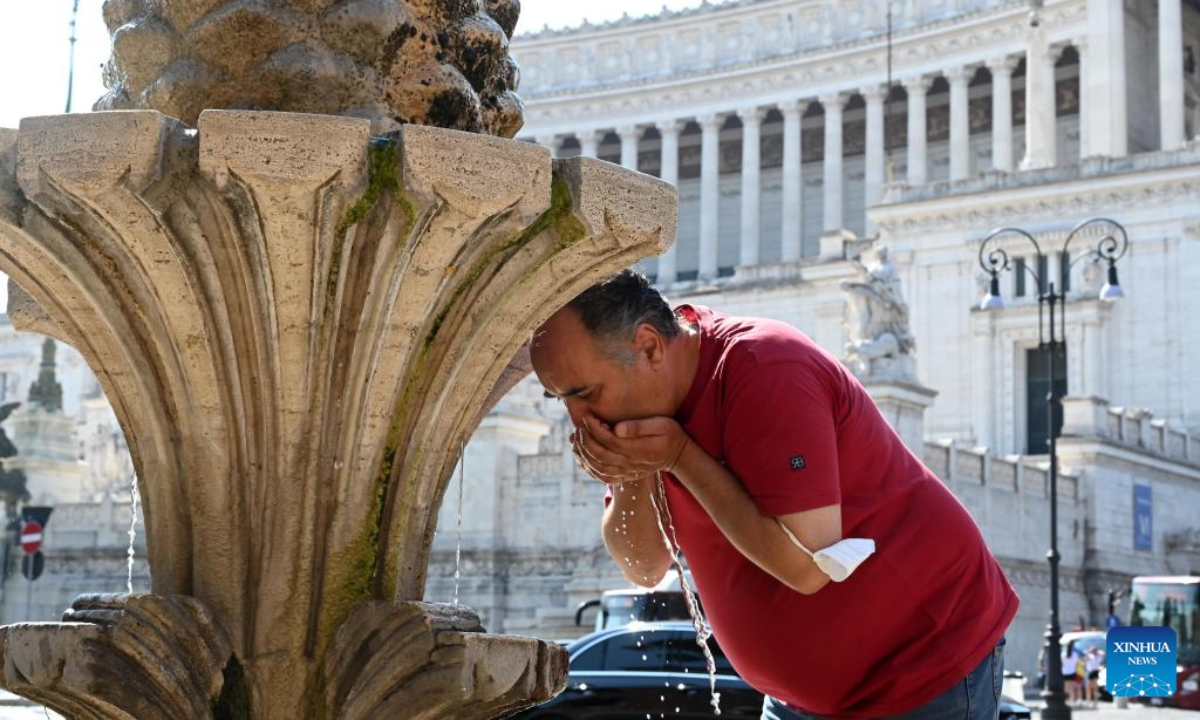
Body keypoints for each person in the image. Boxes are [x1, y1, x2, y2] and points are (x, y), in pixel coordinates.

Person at [529, 270, 1019, 719]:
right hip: (798, 701)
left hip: (923, 669)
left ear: (650, 347)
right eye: (562, 399)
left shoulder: (765, 367)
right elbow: (643, 566)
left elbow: (808, 566)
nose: (579, 422)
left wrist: (680, 457)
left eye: (584, 394)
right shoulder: (641, 409)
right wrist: (636, 467)